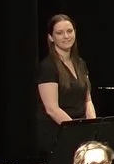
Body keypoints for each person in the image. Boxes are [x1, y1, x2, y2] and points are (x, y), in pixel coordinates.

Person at [34, 14, 96, 156]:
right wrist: (77, 132)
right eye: (59, 33)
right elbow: (52, 109)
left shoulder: (80, 63)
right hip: (57, 131)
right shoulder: (48, 67)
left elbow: (88, 100)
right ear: (51, 37)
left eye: (69, 31)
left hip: (78, 129)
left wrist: (92, 129)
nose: (66, 36)